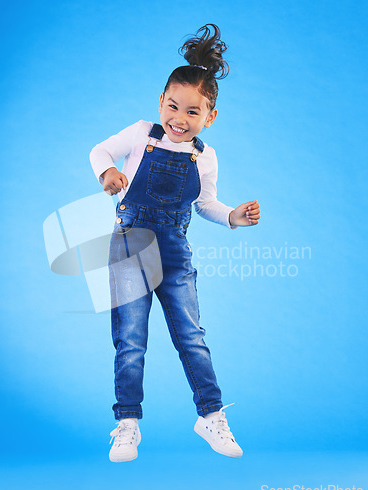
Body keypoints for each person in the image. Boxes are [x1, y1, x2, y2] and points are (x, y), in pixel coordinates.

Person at [89, 24, 260, 462]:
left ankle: (210, 415)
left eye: (192, 112)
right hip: (129, 244)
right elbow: (99, 152)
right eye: (172, 106)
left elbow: (205, 205)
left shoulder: (205, 156)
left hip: (175, 250)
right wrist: (107, 174)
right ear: (160, 102)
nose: (179, 119)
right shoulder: (141, 133)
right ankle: (127, 422)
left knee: (192, 335)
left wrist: (232, 217)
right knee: (131, 337)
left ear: (210, 117)